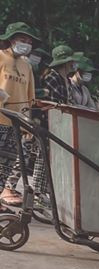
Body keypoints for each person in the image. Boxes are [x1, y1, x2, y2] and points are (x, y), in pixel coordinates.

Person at [0, 22, 41, 206]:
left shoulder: (27, 67)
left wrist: (27, 123)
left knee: (6, 164)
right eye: (22, 39)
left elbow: (29, 98)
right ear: (11, 40)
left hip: (15, 122)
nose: (26, 43)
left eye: (29, 41)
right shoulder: (1, 58)